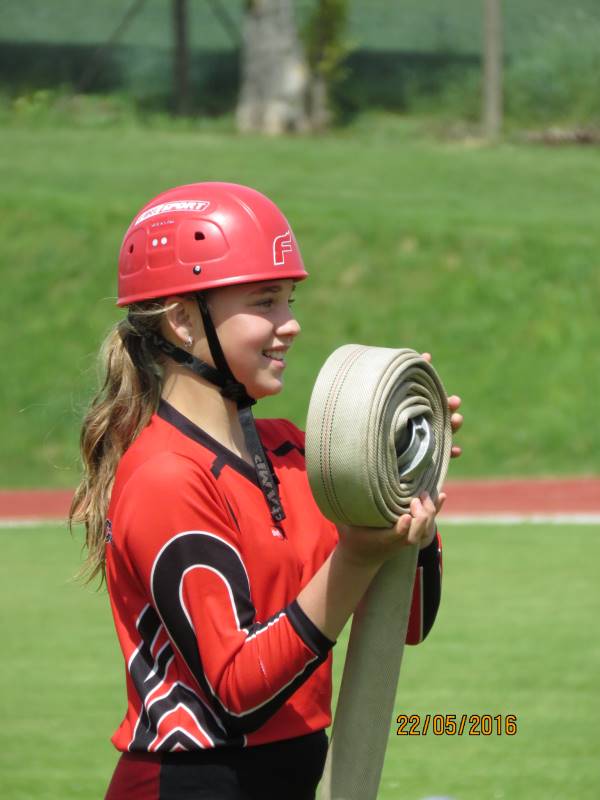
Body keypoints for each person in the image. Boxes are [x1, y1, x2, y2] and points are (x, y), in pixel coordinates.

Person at [70, 182, 462, 800]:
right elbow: (238, 693)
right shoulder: (165, 476)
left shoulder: (296, 452)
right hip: (193, 784)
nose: (291, 324)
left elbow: (406, 622)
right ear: (182, 319)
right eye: (265, 302)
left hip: (295, 775)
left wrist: (409, 482)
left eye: (288, 299)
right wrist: (354, 556)